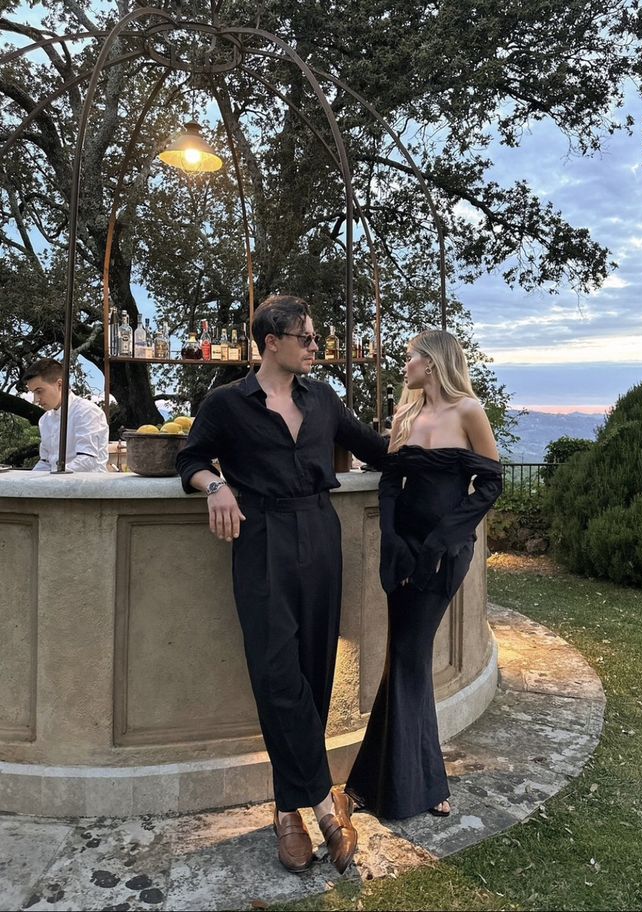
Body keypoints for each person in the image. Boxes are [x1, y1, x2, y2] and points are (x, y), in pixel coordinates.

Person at [175, 295, 387, 875]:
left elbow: (375, 449)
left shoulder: (323, 398)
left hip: (321, 532)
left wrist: (450, 451)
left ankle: (285, 807)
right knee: (276, 672)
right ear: (272, 341)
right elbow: (189, 458)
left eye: (315, 338)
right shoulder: (225, 403)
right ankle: (319, 804)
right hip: (262, 536)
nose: (316, 347)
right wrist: (214, 486)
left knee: (315, 669)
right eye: (307, 338)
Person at [345, 329, 503, 820]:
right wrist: (391, 539)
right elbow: (391, 481)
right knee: (402, 656)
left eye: (410, 357)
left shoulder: (469, 412)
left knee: (409, 655)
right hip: (403, 548)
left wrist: (438, 543)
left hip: (444, 551)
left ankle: (415, 782)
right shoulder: (406, 413)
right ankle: (386, 781)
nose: (404, 364)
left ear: (432, 362)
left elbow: (489, 484)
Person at [22, 358, 109, 473]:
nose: (36, 400)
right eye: (33, 393)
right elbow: (46, 462)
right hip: (57, 485)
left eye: (39, 391)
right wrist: (26, 481)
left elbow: (88, 460)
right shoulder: (44, 420)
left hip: (88, 486)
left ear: (60, 384)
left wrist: (51, 479)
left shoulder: (86, 412)